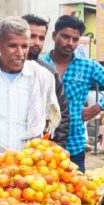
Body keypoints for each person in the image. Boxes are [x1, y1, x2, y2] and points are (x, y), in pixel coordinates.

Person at [42, 15, 104, 172]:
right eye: (65, 37)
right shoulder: (40, 65)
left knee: (77, 193)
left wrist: (96, 108)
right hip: (44, 143)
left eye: (75, 39)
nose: (70, 43)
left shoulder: (87, 66)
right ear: (54, 35)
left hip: (74, 143)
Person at [0, 17, 60, 151]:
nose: (20, 53)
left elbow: (47, 120)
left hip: (26, 161)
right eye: (12, 46)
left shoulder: (43, 77)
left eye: (24, 46)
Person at [22, 14, 71, 149]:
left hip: (37, 152)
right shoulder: (0, 71)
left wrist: (54, 151)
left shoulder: (49, 74)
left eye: (41, 38)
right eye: (32, 36)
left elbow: (62, 116)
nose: (37, 42)